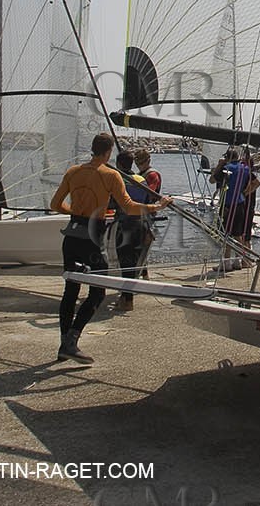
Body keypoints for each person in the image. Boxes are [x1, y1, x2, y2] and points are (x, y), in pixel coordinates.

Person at [49, 132, 171, 362]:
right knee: (98, 291)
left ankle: (64, 343)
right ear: (107, 152)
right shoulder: (111, 175)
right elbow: (129, 206)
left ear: (93, 149)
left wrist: (75, 213)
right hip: (92, 238)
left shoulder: (73, 172)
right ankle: (71, 341)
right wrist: (157, 206)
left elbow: (55, 204)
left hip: (71, 235)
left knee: (70, 291)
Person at [110, 148, 162, 311]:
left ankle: (127, 299)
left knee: (125, 262)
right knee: (133, 261)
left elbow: (112, 202)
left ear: (118, 164)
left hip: (126, 224)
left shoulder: (118, 179)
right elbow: (147, 200)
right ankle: (128, 295)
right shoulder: (140, 178)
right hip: (140, 222)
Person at [212, 148, 260, 270]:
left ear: (227, 157)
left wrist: (220, 164)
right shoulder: (245, 168)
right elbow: (256, 183)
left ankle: (226, 263)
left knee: (225, 234)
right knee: (238, 233)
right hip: (240, 203)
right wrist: (244, 193)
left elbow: (212, 180)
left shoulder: (226, 168)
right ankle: (238, 260)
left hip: (228, 203)